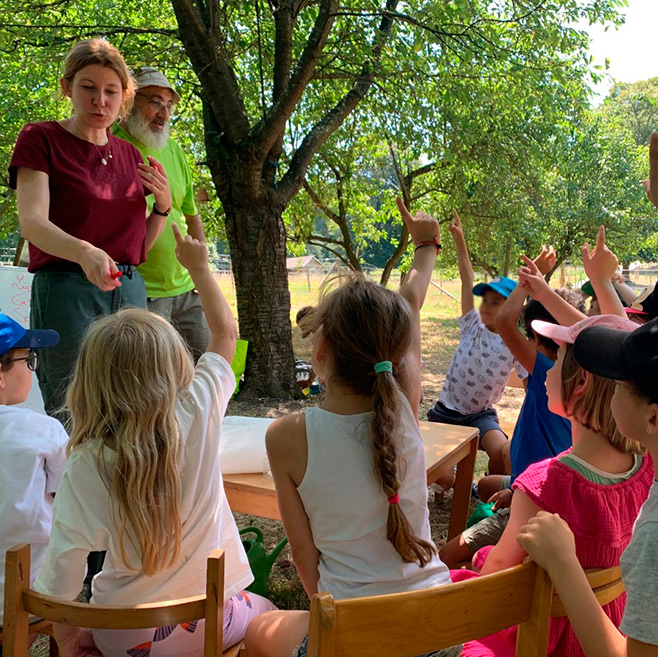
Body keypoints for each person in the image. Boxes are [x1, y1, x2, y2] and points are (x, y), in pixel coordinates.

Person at [32, 226, 275, 657]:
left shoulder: (86, 461)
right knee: (269, 610)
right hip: (208, 620)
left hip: (124, 635)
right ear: (176, 366)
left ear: (89, 382)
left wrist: (71, 640)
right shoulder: (198, 410)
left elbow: (63, 573)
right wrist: (199, 267)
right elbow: (225, 334)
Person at [244, 199, 458, 657]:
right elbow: (412, 303)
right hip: (438, 633)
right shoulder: (405, 407)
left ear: (320, 351)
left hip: (352, 638)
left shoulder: (285, 437)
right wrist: (426, 247)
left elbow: (304, 558)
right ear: (399, 359)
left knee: (256, 633)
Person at [457, 314, 652, 657]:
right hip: (615, 623)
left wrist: (479, 562)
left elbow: (496, 576)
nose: (546, 370)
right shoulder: (647, 467)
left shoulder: (546, 483)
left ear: (580, 383)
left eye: (555, 359)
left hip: (550, 636)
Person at [8, 39, 172, 418]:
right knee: (72, 406)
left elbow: (138, 248)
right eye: (89, 88)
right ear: (68, 88)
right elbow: (32, 222)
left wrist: (162, 207)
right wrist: (85, 251)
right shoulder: (41, 138)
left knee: (135, 402)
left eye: (111, 91)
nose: (100, 101)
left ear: (124, 97)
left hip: (129, 289)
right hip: (67, 289)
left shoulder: (131, 155)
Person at [518, 317, 658, 657]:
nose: (610, 384)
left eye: (621, 382)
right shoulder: (647, 470)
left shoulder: (654, 535)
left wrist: (563, 561)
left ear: (653, 419)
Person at [439, 247, 583, 569]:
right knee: (489, 485)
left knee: (447, 554)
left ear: (535, 337)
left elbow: (506, 320)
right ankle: (507, 495)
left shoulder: (545, 369)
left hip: (538, 497)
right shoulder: (584, 378)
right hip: (537, 485)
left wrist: (532, 280)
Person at [114, 66, 211, 360]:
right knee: (152, 379)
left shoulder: (174, 150)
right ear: (130, 101)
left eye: (168, 105)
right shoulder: (109, 146)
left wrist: (201, 273)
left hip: (186, 288)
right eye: (155, 102)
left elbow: (191, 215)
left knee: (209, 368)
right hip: (141, 291)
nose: (164, 114)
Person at [427, 210, 526, 475]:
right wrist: (460, 240)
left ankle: (488, 496)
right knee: (444, 478)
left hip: (480, 416)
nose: (486, 307)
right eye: (486, 301)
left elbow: (530, 386)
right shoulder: (473, 325)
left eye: (496, 303)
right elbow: (467, 277)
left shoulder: (516, 344)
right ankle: (454, 480)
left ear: (513, 308)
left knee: (504, 452)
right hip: (444, 413)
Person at [0, 313, 66, 652]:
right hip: (21, 593)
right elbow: (69, 496)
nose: (32, 369)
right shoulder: (43, 430)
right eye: (30, 359)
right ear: (1, 371)